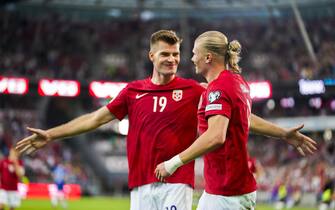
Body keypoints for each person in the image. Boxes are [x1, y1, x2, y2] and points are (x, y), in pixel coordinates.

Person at [16, 30, 315, 210]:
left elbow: (239, 118)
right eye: (165, 54)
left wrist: (280, 133)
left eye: (177, 54)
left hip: (177, 184)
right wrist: (52, 135)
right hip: (141, 185)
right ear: (151, 56)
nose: (172, 59)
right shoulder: (133, 91)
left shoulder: (196, 90)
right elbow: (95, 118)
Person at [155, 31, 317, 210]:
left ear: (208, 57)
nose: (192, 58)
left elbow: (216, 136)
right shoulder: (236, 81)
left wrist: (173, 163)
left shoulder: (220, 88)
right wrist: (283, 133)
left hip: (226, 193)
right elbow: (244, 119)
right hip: (229, 190)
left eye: (195, 53)